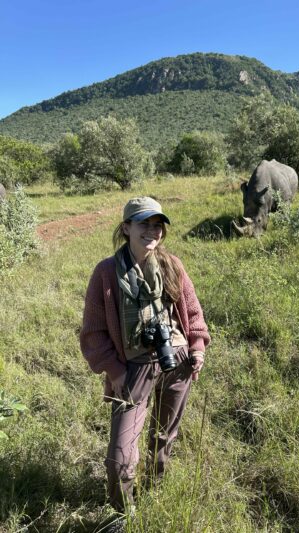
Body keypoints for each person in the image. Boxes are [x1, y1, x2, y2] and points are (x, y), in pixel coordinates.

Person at [80, 197, 210, 513]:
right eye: (143, 224)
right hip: (132, 369)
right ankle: (121, 512)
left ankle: (152, 492)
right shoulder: (106, 272)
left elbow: (192, 312)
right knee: (120, 454)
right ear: (126, 228)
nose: (151, 231)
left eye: (157, 225)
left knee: (164, 437)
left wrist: (197, 347)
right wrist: (115, 371)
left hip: (177, 361)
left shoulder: (172, 265)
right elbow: (93, 333)